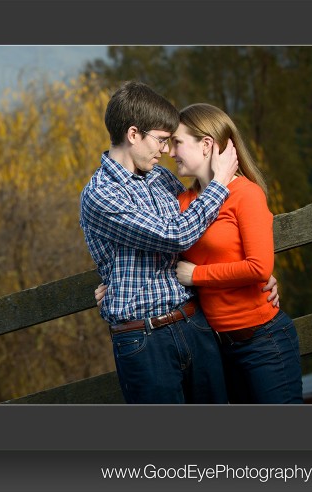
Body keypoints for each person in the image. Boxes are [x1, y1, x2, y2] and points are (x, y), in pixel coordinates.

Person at [79, 81, 241, 404]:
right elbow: (175, 234)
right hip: (143, 339)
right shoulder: (99, 195)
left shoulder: (161, 178)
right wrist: (220, 184)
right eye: (161, 140)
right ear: (134, 134)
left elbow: (202, 235)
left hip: (194, 322)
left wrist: (254, 270)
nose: (166, 151)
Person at [171, 103, 302, 403]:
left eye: (178, 142)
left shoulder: (246, 194)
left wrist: (197, 276)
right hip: (217, 349)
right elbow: (157, 247)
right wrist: (109, 282)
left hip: (263, 342)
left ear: (206, 144)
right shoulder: (182, 203)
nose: (170, 151)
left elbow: (258, 267)